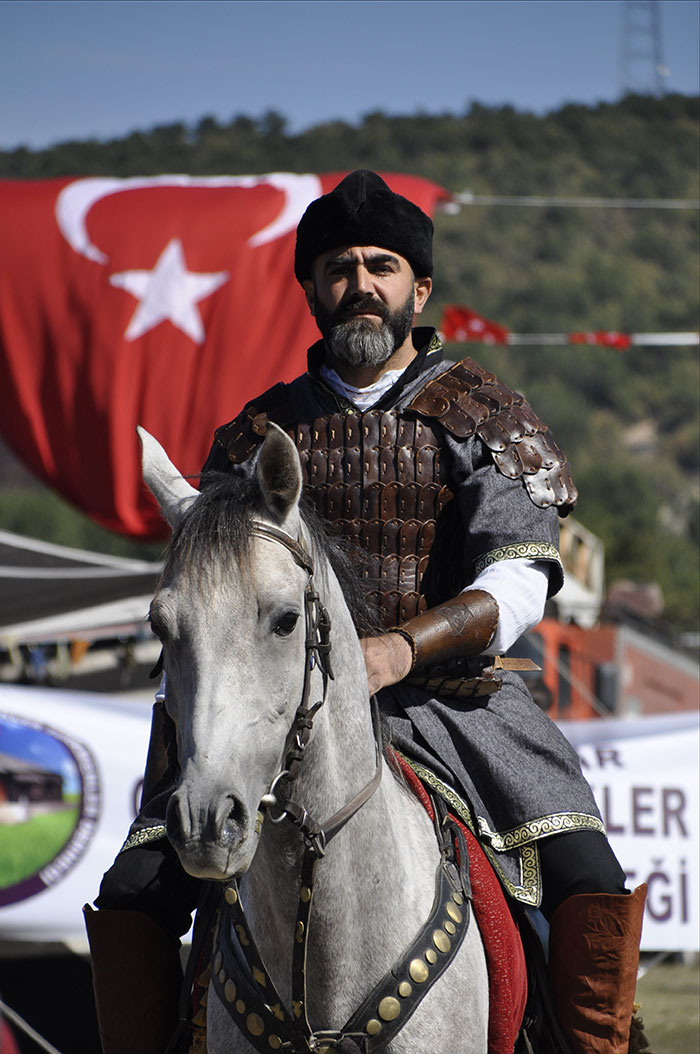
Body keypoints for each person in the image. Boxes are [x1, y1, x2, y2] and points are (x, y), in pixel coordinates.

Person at [86, 171, 646, 1054]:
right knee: (135, 892)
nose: (361, 282)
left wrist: (398, 650)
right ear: (311, 290)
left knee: (586, 874)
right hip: (269, 711)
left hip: (454, 707)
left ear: (418, 290)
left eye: (382, 265)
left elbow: (520, 579)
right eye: (339, 266)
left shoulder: (485, 414)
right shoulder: (249, 442)